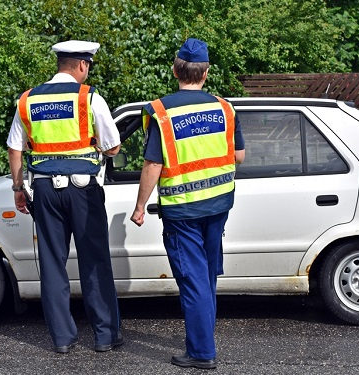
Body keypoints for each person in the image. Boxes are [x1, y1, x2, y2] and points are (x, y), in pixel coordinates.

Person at [130, 38, 245, 369]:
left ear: (175, 70)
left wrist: (140, 207)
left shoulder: (163, 113)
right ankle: (203, 338)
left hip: (182, 210)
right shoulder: (224, 108)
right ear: (206, 73)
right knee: (206, 276)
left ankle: (201, 352)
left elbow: (153, 165)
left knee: (193, 280)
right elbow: (238, 155)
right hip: (218, 205)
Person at [7, 40, 123, 354]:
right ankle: (104, 336)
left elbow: (15, 148)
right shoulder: (88, 98)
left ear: (60, 63)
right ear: (82, 65)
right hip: (83, 191)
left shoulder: (27, 100)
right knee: (94, 260)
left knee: (52, 263)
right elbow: (113, 147)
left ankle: (62, 338)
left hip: (44, 190)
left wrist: (19, 189)